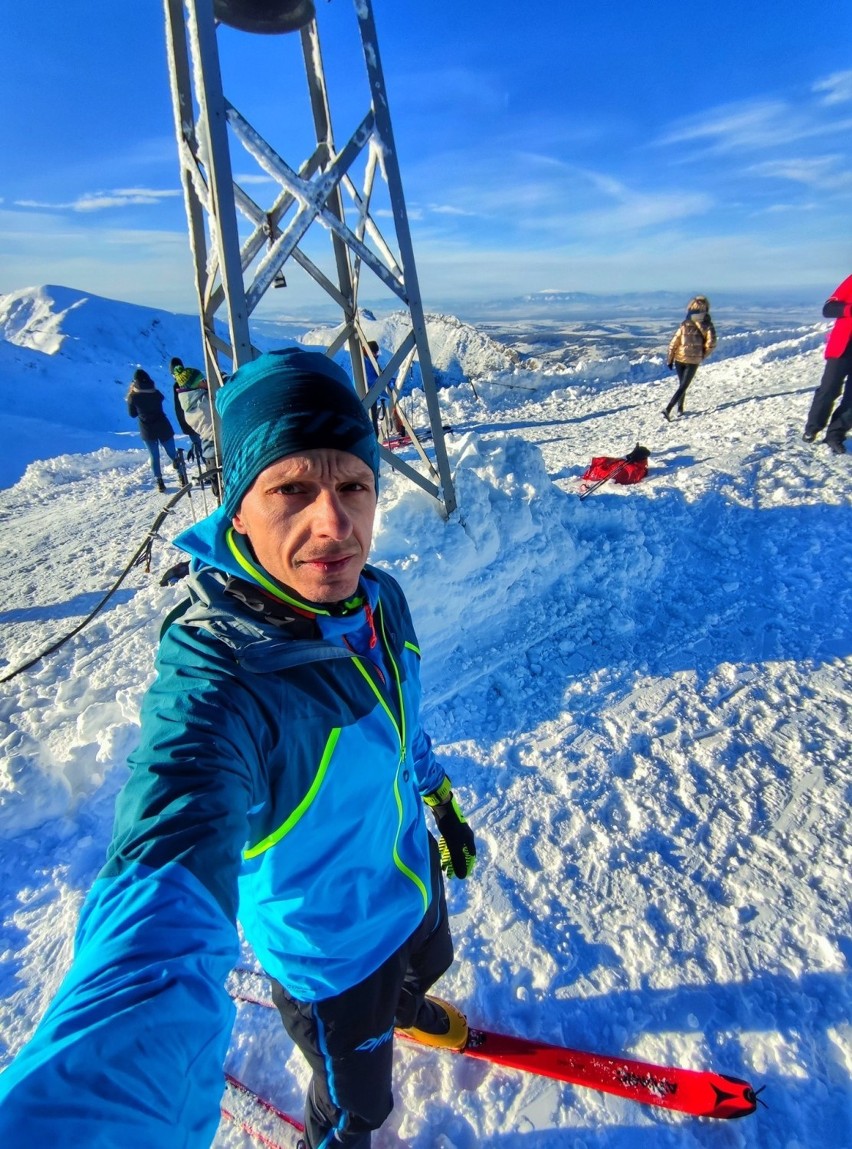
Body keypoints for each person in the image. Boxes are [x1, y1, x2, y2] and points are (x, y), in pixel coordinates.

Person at [0, 347, 477, 1149]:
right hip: (331, 952)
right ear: (237, 507)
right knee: (359, 1104)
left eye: (354, 485)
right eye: (292, 488)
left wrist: (435, 795)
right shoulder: (221, 679)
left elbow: (400, 716)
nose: (335, 524)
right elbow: (159, 892)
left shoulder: (379, 598)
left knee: (429, 959)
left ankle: (403, 1003)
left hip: (407, 879)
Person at [802, 274, 852, 455]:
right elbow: (829, 309)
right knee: (829, 388)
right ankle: (813, 427)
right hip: (843, 346)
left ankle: (835, 435)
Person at [126, 367, 181, 492]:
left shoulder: (133, 397)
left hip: (147, 429)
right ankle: (182, 476)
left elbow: (132, 414)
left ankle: (159, 482)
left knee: (154, 456)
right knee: (173, 454)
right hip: (163, 426)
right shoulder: (156, 393)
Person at [663, 295, 717, 420]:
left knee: (682, 384)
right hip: (693, 360)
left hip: (679, 358)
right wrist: (702, 354)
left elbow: (674, 342)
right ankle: (668, 409)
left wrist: (670, 359)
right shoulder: (707, 325)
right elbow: (711, 343)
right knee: (684, 385)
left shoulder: (685, 323)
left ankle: (680, 409)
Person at [170, 356, 215, 467]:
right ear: (195, 385)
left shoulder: (183, 393)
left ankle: (207, 467)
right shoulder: (203, 400)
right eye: (202, 380)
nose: (206, 381)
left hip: (200, 433)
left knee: (201, 446)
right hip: (215, 444)